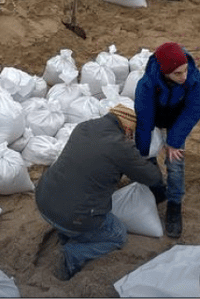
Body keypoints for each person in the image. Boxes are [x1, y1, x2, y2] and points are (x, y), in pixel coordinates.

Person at [34, 104, 164, 281]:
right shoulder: (120, 146)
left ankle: (66, 235)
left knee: (75, 194)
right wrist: (151, 159)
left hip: (44, 200)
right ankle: (73, 253)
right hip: (73, 217)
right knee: (117, 234)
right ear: (127, 129)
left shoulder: (84, 127)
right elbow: (152, 177)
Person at [133, 42, 200, 237]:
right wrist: (144, 151)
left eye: (185, 70)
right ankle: (157, 187)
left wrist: (173, 141)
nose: (184, 76)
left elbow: (194, 110)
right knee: (146, 154)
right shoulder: (147, 84)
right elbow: (144, 119)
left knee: (175, 163)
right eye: (177, 73)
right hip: (155, 118)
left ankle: (174, 204)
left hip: (178, 121)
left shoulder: (195, 80)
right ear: (165, 72)